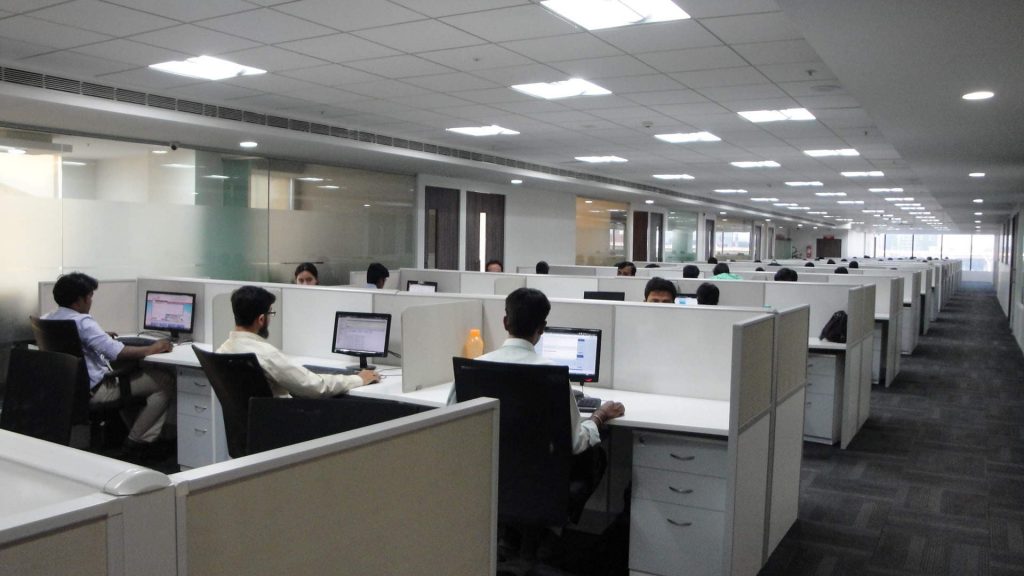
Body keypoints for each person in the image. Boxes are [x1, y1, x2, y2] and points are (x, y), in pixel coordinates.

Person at [43, 272, 175, 458]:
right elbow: (118, 352)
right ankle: (136, 442)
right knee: (165, 380)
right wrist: (154, 348)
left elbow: (75, 341)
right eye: (90, 296)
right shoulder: (83, 322)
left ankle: (135, 434)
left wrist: (100, 336)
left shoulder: (48, 318)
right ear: (79, 300)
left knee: (136, 379)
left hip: (69, 390)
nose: (91, 301)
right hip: (97, 390)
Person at [217, 286, 378, 397]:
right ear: (261, 319)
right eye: (270, 313)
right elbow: (315, 386)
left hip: (251, 424)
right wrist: (358, 379)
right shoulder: (265, 354)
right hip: (280, 422)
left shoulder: (222, 351)